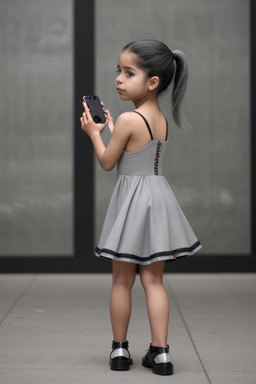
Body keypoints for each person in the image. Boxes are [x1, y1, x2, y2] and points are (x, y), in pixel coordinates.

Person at [80, 39, 202, 376]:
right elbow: (139, 151)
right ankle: (161, 352)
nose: (119, 78)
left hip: (132, 201)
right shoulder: (158, 117)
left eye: (128, 72)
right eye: (118, 70)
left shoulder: (130, 118)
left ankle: (119, 350)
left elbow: (108, 162)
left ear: (152, 82)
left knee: (122, 281)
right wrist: (115, 130)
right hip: (158, 198)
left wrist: (94, 133)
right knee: (154, 281)